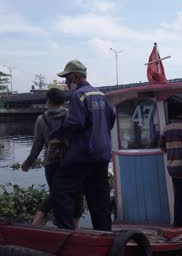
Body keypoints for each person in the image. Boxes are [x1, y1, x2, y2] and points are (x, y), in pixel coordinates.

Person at [50, 60, 116, 231]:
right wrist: (99, 133)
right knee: (98, 197)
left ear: (76, 76)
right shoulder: (100, 94)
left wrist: (57, 134)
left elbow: (76, 122)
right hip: (102, 155)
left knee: (61, 188)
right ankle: (105, 233)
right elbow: (111, 117)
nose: (65, 82)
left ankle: (66, 232)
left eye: (67, 77)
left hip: (83, 154)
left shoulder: (78, 95)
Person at [21, 88, 82, 229]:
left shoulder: (41, 119)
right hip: (71, 161)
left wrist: (28, 162)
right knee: (77, 192)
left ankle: (37, 222)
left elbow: (37, 144)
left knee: (55, 193)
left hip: (51, 162)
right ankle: (75, 225)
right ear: (63, 101)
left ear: (48, 101)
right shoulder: (70, 115)